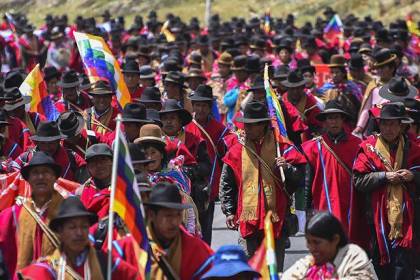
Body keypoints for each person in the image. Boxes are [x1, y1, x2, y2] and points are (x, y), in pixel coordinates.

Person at [219, 102, 302, 271]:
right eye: (245, 124)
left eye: (251, 125)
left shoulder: (282, 147)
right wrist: (229, 210)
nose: (246, 128)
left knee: (273, 268)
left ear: (263, 125)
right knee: (247, 268)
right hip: (247, 219)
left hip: (275, 218)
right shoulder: (236, 150)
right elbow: (226, 182)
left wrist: (288, 168)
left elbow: (298, 181)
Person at [352, 103, 420, 280]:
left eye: (393, 124)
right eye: (384, 123)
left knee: (404, 266)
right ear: (379, 124)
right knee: (383, 265)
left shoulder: (413, 148)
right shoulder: (368, 148)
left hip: (408, 219)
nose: (388, 128)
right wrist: (383, 177)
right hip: (377, 218)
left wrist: (412, 175)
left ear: (401, 126)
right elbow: (358, 180)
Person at [283, 100, 361, 233]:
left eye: (337, 117)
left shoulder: (358, 145)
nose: (334, 122)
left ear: (343, 120)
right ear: (324, 122)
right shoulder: (314, 147)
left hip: (352, 204)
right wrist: (307, 209)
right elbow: (307, 179)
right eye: (330, 118)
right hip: (324, 202)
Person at [18, 196, 139, 279]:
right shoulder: (48, 269)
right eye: (72, 227)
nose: (79, 233)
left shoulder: (106, 263)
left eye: (84, 226)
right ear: (60, 231)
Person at [113, 183, 213, 280]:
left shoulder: (196, 248)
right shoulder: (128, 247)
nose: (174, 222)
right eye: (168, 216)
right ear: (152, 215)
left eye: (178, 215)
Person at [0, 152, 65, 276]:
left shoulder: (68, 212)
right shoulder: (11, 216)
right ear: (28, 179)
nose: (41, 177)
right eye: (35, 173)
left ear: (55, 177)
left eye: (46, 172)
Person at [282, 212, 378, 279]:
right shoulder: (311, 260)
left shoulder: (353, 255)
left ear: (335, 239)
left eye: (316, 242)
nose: (311, 248)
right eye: (308, 242)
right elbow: (291, 275)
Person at [15, 121, 87, 182]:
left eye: (51, 143)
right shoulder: (24, 159)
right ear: (37, 142)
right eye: (43, 143)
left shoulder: (72, 158)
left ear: (58, 141)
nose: (47, 148)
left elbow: (84, 183)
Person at [355, 48, 398, 135]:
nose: (379, 70)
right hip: (374, 125)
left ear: (392, 68)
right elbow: (366, 109)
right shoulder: (373, 85)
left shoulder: (400, 84)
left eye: (383, 67)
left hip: (394, 125)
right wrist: (360, 127)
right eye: (378, 68)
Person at [282, 70, 322, 142]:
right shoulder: (282, 102)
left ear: (303, 87)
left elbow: (318, 124)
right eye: (292, 88)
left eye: (298, 88)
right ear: (288, 88)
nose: (295, 91)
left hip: (307, 140)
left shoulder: (310, 103)